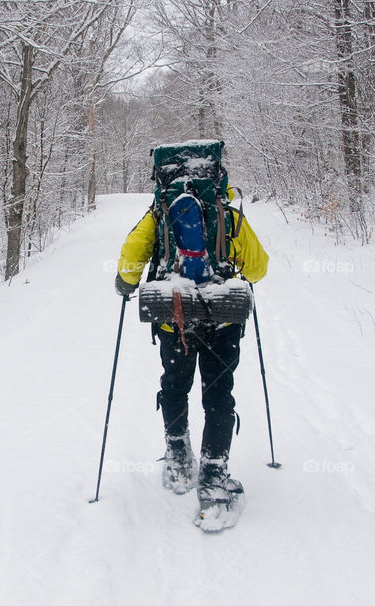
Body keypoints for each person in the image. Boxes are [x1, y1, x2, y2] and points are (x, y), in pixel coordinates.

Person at [114, 185, 268, 511]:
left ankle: (179, 462)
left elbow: (131, 258)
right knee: (218, 394)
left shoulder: (159, 213)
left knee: (174, 387)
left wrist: (125, 283)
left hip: (175, 321)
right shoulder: (226, 214)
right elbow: (258, 268)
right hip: (222, 321)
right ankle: (213, 479)